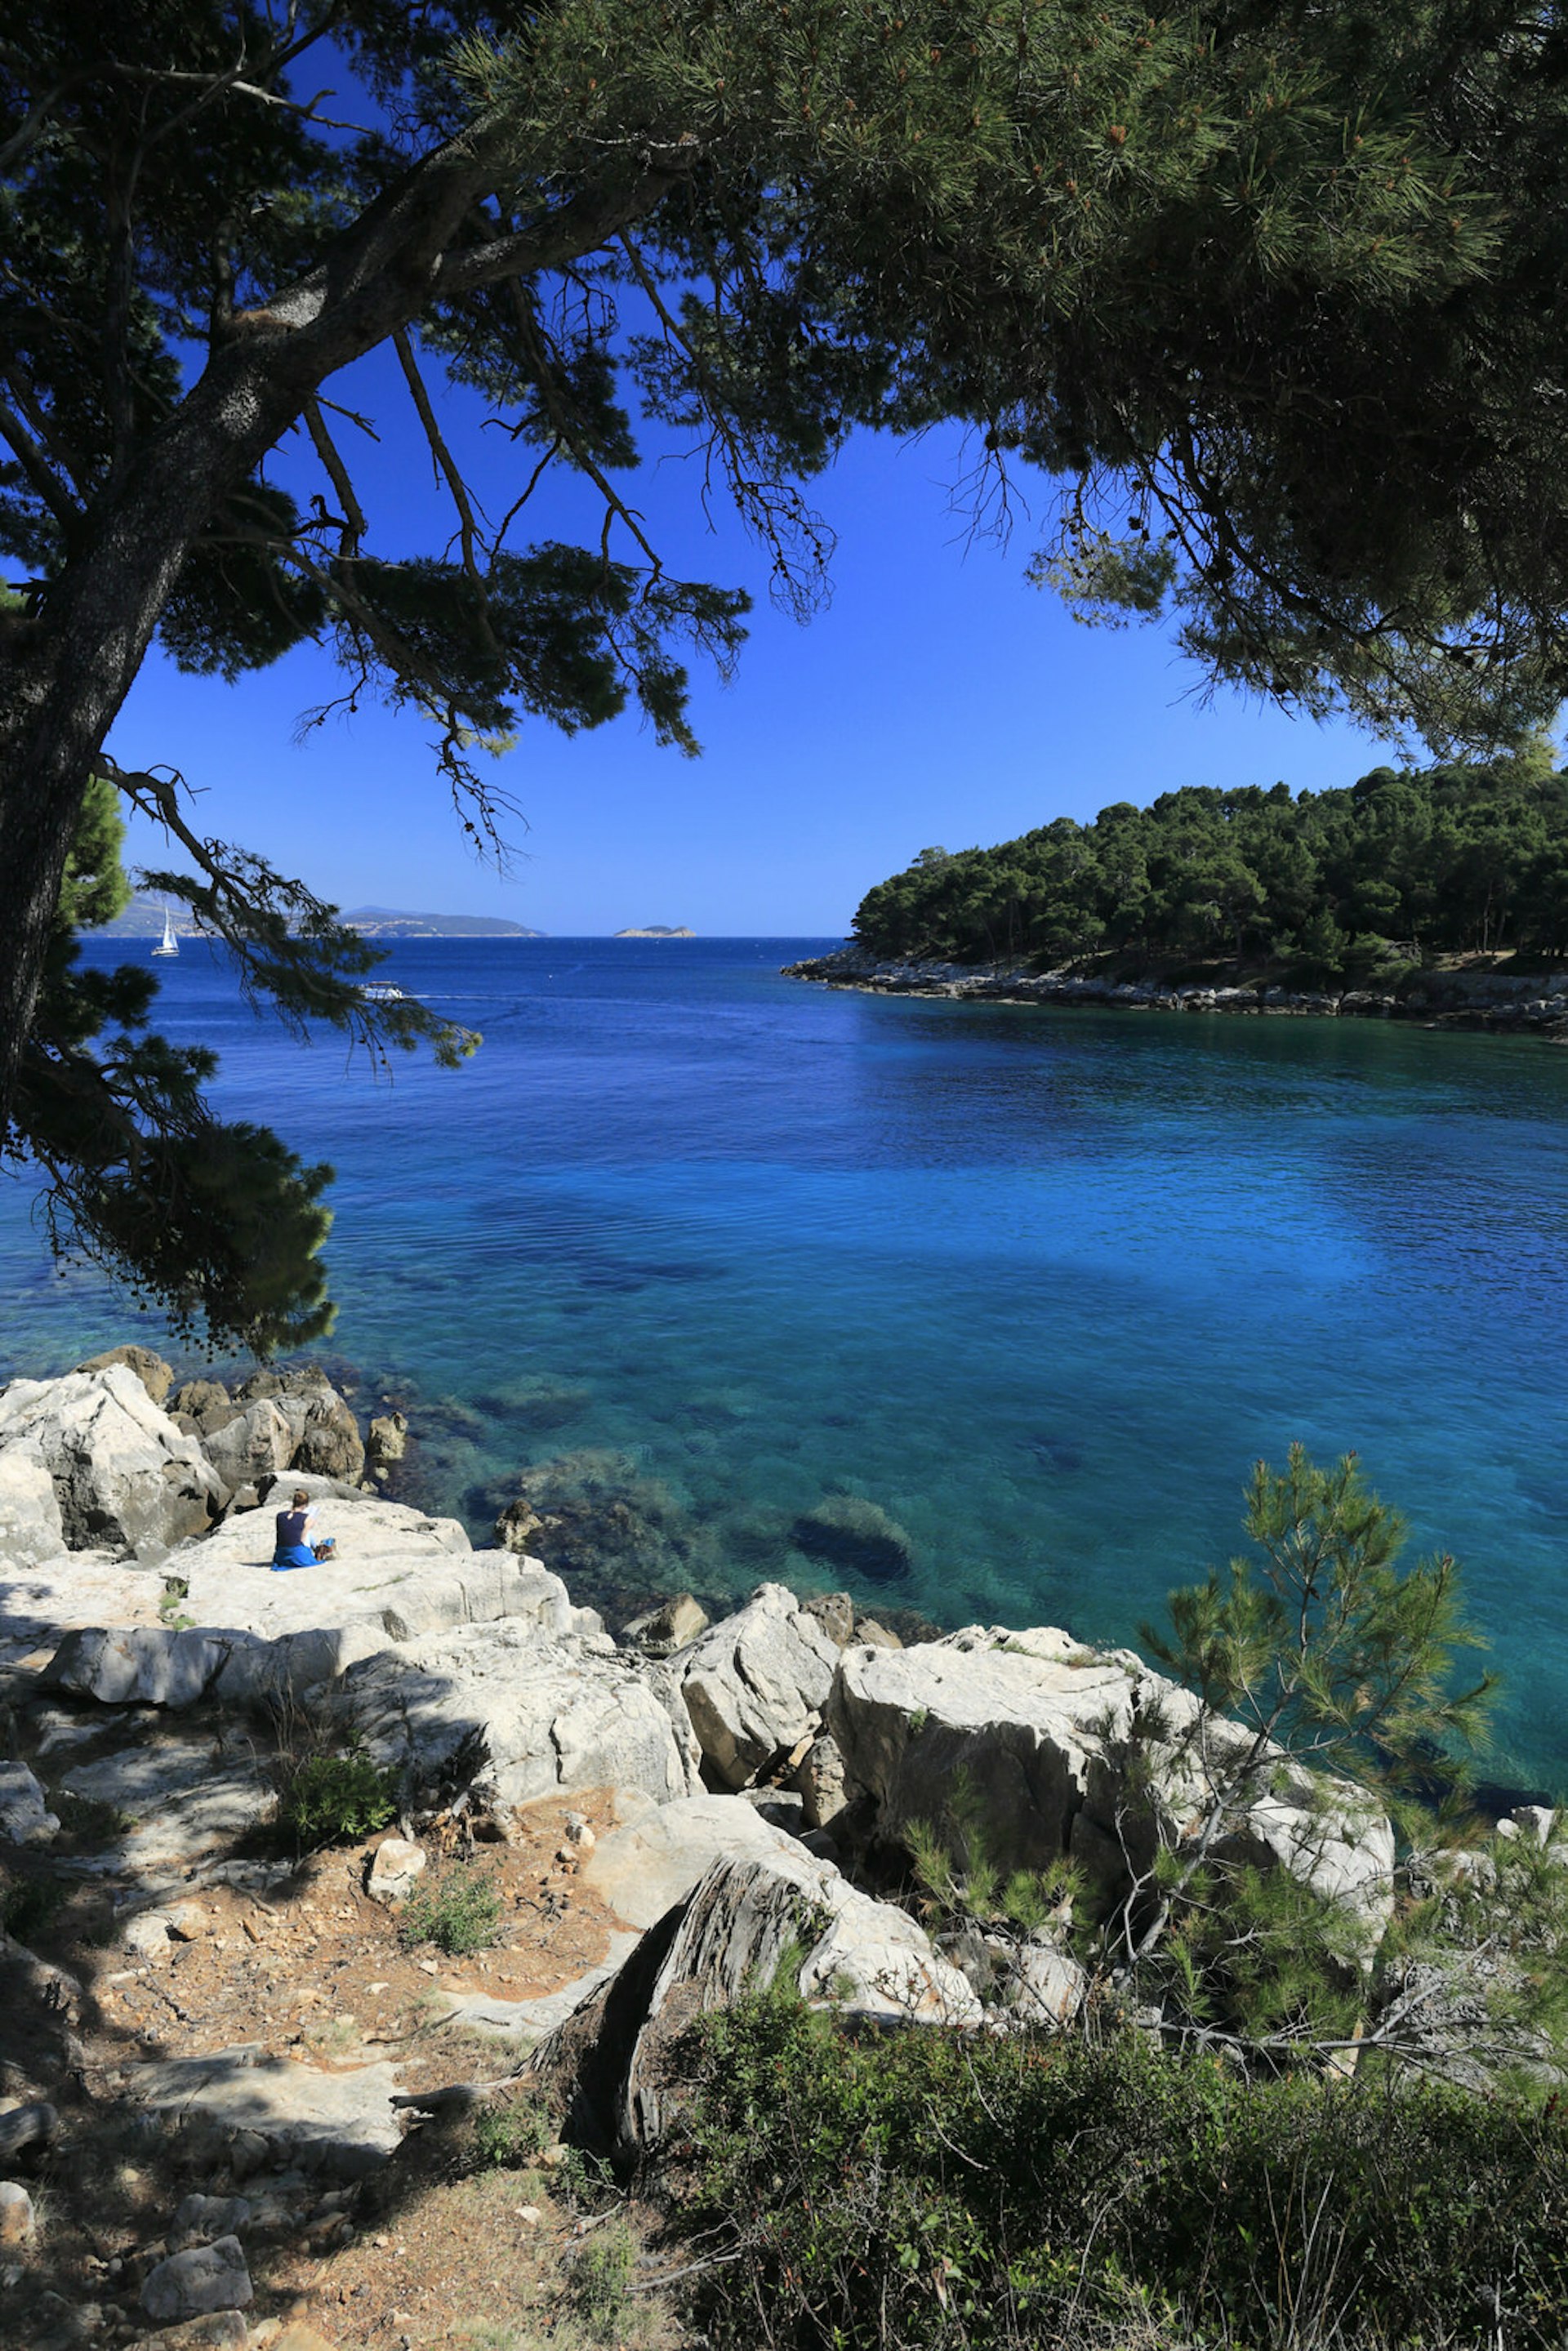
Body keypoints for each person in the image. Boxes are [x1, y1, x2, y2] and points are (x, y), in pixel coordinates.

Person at [272, 1487, 337, 1571]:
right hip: (297, 1555)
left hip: (281, 1556)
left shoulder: (279, 1516)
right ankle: (317, 1549)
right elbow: (302, 1540)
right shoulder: (307, 1518)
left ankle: (317, 1549)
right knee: (308, 1532)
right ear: (305, 1505)